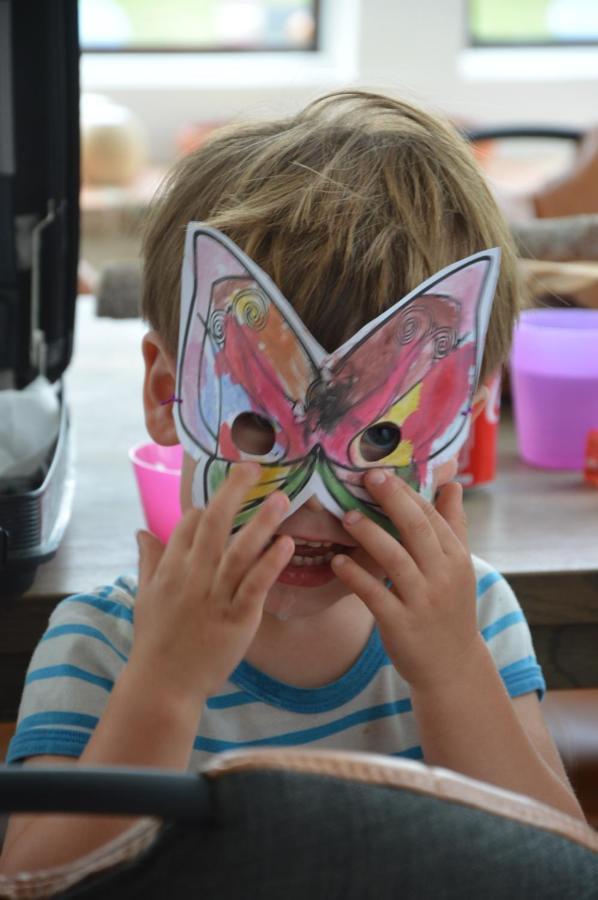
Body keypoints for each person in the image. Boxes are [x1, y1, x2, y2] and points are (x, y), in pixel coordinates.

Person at [0, 89, 584, 874]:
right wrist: (166, 686)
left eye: (379, 438)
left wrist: (450, 671)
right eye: (257, 427)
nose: (310, 503)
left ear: (468, 420)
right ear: (166, 393)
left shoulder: (473, 619)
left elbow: (557, 873)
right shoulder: (104, 646)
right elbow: (31, 883)